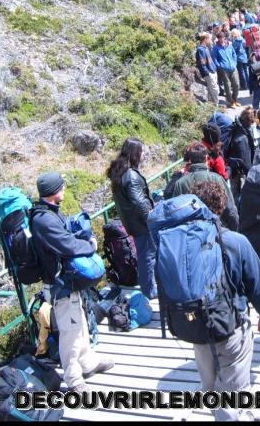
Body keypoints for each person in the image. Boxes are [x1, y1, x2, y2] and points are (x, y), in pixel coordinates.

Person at [188, 180, 260, 421]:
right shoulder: (236, 241)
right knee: (234, 394)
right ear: (221, 206)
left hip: (197, 330)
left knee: (214, 388)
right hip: (231, 327)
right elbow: (258, 285)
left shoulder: (183, 244)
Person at [31, 172, 114, 393]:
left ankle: (87, 362)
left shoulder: (48, 213)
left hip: (66, 280)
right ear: (53, 192)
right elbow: (66, 245)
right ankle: (74, 378)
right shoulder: (44, 219)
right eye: (62, 186)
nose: (65, 189)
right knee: (70, 330)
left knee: (80, 322)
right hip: (59, 284)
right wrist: (90, 246)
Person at [107, 137, 156, 299]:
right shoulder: (131, 176)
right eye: (141, 151)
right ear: (136, 153)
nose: (143, 154)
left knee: (145, 254)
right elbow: (138, 202)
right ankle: (149, 291)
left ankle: (148, 285)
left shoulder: (120, 171)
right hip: (141, 223)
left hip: (131, 222)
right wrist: (152, 217)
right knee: (147, 256)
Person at [172, 142, 239, 231]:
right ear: (206, 158)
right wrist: (234, 230)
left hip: (192, 232)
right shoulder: (216, 178)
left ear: (190, 160)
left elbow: (176, 212)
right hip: (217, 229)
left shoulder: (180, 183)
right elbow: (230, 209)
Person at [225, 106, 256, 203]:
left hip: (234, 167)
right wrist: (251, 175)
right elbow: (245, 160)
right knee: (239, 195)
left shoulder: (237, 127)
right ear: (249, 121)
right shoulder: (242, 138)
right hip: (239, 172)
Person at [212, 32, 240, 108]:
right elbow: (214, 59)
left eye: (223, 37)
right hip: (224, 69)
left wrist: (234, 63)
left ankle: (235, 99)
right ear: (218, 39)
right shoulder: (216, 48)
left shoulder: (229, 46)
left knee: (236, 84)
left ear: (225, 37)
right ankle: (231, 102)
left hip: (233, 68)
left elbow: (234, 55)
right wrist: (220, 66)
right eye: (220, 38)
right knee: (227, 85)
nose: (222, 39)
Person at [195, 32, 219, 106]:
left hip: (213, 71)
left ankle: (211, 106)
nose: (210, 41)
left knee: (211, 90)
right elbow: (202, 63)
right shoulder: (200, 50)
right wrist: (207, 73)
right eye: (209, 39)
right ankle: (216, 105)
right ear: (205, 39)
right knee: (215, 90)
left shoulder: (206, 47)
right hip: (209, 73)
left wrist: (214, 68)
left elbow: (210, 59)